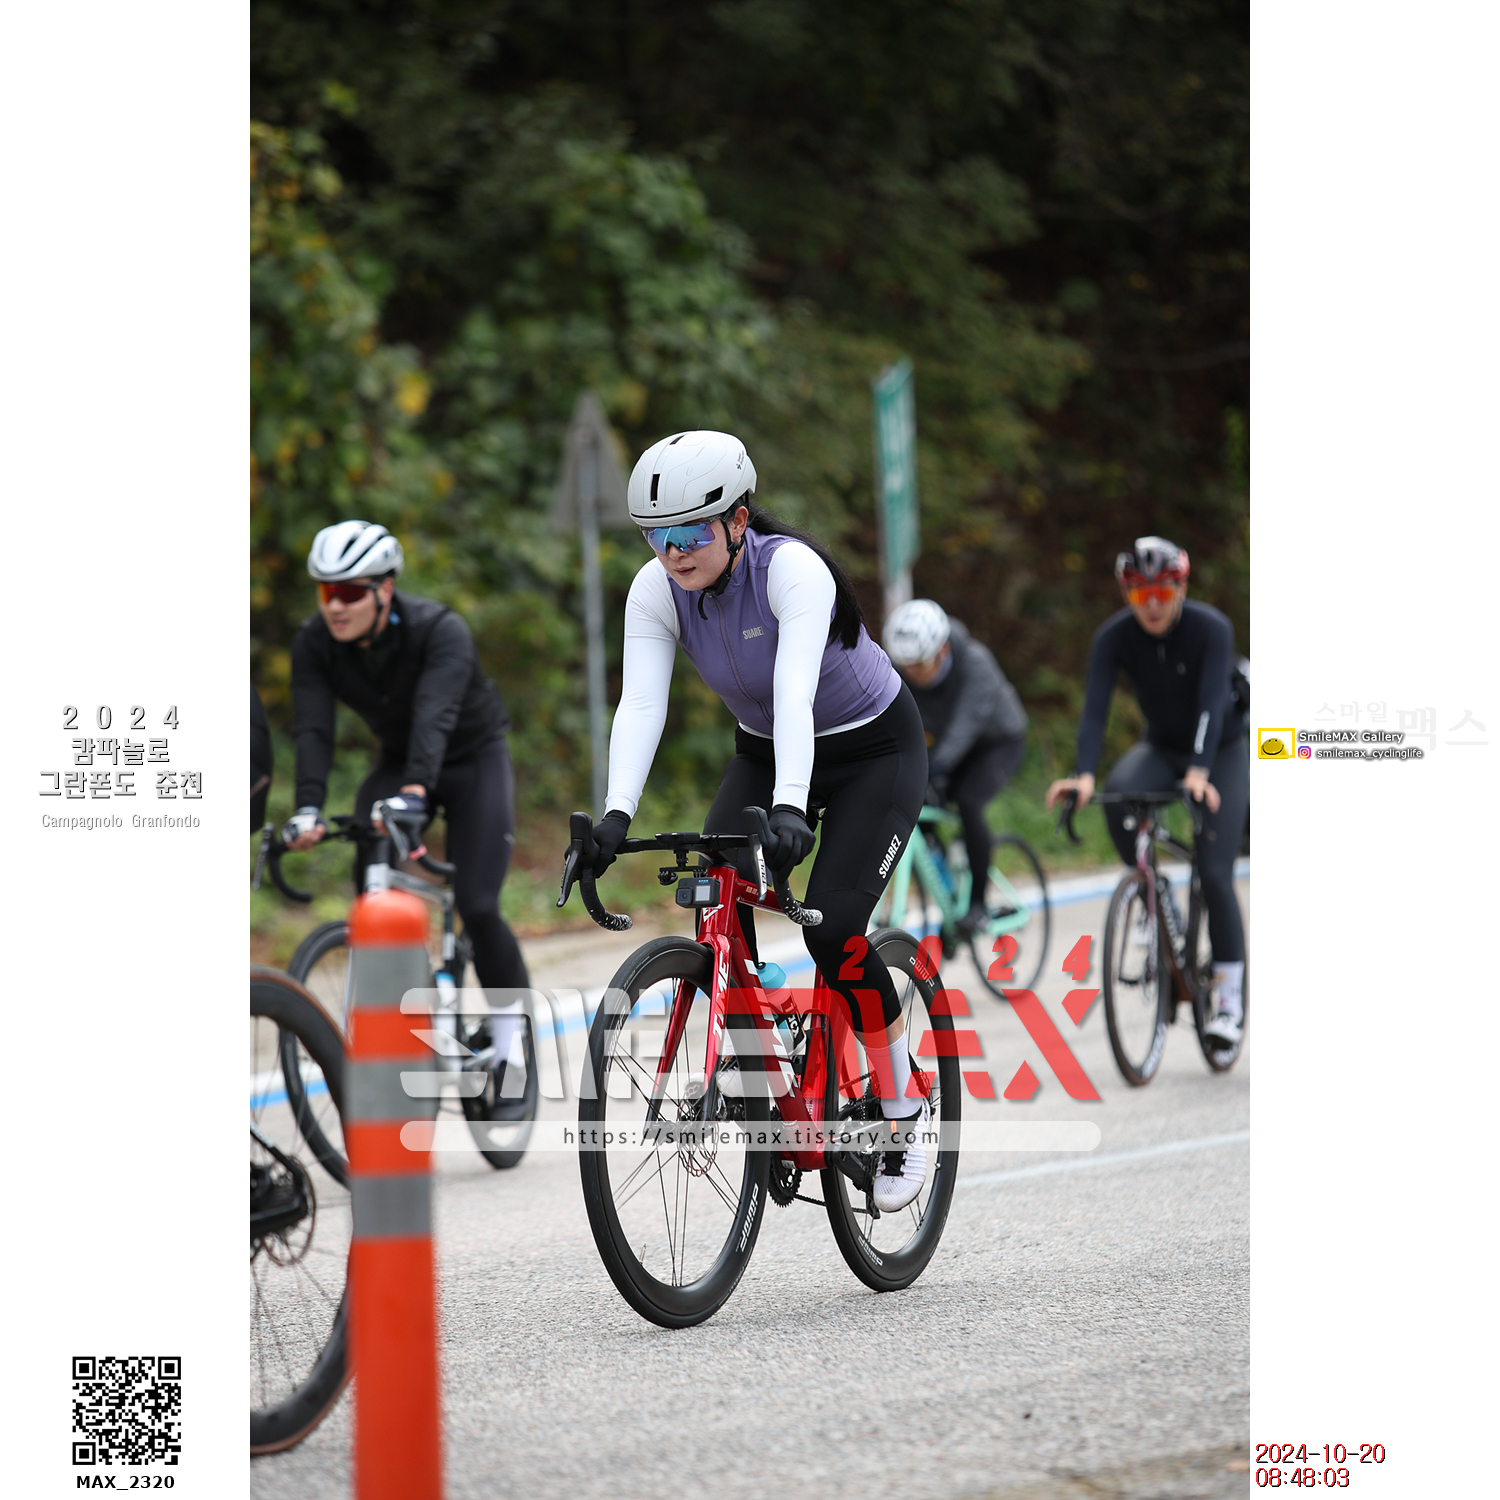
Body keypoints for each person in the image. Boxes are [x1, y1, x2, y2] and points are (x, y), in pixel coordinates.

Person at [577, 430, 931, 1212]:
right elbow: (641, 704)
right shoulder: (655, 589)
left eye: (690, 532)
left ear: (738, 520)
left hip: (873, 752)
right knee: (717, 888)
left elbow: (794, 691)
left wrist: (793, 807)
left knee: (833, 930)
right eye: (657, 536)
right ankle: (757, 1043)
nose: (673, 552)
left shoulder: (792, 571)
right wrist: (614, 817)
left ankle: (902, 1108)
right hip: (766, 750)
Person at [282, 521, 531, 1011]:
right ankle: (413, 1001)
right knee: (371, 891)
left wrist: (416, 792)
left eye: (350, 592)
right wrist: (307, 808)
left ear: (385, 589)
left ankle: (510, 1037)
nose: (335, 606)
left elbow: (434, 717)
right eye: (327, 592)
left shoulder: (439, 630)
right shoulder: (314, 643)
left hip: (472, 760)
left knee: (478, 905)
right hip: (398, 763)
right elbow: (313, 730)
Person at [1045, 537, 1248, 1045]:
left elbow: (1211, 704)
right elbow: (1095, 710)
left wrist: (1199, 769)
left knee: (1215, 874)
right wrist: (1084, 774)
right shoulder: (1113, 637)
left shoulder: (1211, 628)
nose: (1152, 605)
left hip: (1220, 751)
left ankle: (1228, 998)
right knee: (1118, 796)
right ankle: (1154, 896)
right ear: (1126, 594)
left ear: (1181, 588)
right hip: (1160, 747)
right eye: (1140, 594)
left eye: (1162, 593)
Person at [884, 599, 1029, 937]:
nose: (913, 674)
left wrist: (934, 767)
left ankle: (977, 904)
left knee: (969, 802)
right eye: (905, 666)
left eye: (920, 664)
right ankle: (948, 886)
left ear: (943, 650)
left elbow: (966, 725)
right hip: (948, 746)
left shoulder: (976, 664)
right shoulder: (906, 668)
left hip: (997, 743)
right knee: (915, 805)